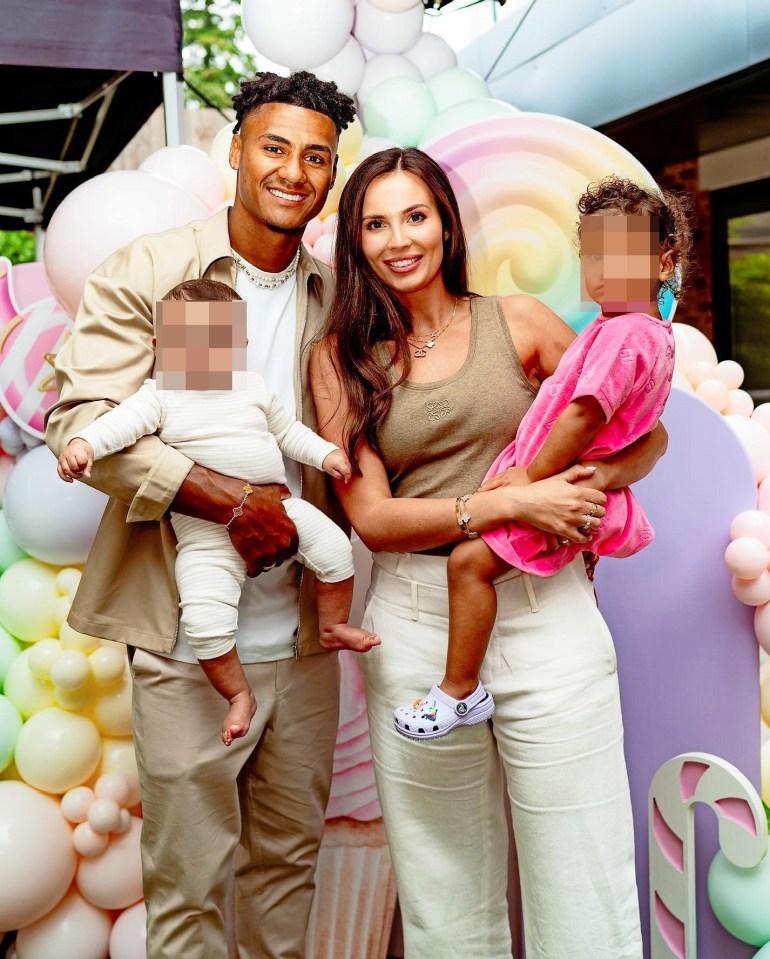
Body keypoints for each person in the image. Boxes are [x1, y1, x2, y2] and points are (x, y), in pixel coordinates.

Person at [310, 148, 670, 958]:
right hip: (415, 622)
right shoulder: (340, 361)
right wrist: (506, 502)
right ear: (354, 241)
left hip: (547, 617)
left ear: (445, 221)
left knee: (585, 879)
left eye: (415, 215)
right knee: (445, 899)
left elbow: (647, 431)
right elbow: (372, 516)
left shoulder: (518, 322)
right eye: (375, 222)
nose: (398, 239)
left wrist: (593, 479)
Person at [46, 72, 356, 959]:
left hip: (301, 640)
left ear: (331, 174)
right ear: (236, 152)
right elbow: (82, 424)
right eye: (274, 147)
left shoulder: (333, 297)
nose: (294, 170)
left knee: (288, 866)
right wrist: (232, 500)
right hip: (185, 639)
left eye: (317, 156)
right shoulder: (151, 271)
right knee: (185, 883)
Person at [392, 175, 691, 740]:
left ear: (663, 262)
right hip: (570, 481)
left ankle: (458, 690)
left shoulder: (625, 334)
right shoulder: (642, 331)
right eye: (593, 255)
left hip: (553, 483)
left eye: (623, 255)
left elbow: (584, 414)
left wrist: (527, 477)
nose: (603, 269)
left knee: (467, 564)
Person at [56, 278, 379, 747]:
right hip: (205, 536)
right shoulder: (161, 394)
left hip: (282, 508)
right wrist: (84, 443)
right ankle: (238, 696)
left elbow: (287, 432)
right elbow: (119, 425)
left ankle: (332, 625)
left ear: (239, 345)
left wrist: (325, 455)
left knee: (335, 547)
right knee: (205, 622)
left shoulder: (250, 387)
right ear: (160, 345)